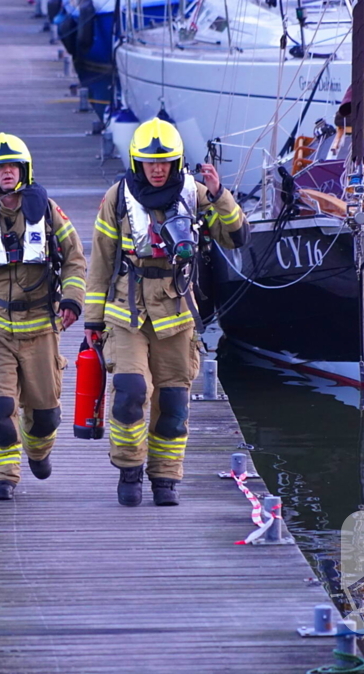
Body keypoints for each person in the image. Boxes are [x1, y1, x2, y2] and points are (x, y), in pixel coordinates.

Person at [83, 118, 251, 507]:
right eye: (149, 162)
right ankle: (129, 469)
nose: (157, 170)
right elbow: (100, 264)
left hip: (176, 312)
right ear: (137, 162)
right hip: (127, 312)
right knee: (130, 391)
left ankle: (165, 478)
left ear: (176, 163)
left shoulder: (195, 195)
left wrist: (220, 194)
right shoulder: (116, 197)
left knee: (173, 401)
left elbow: (238, 235)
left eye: (164, 162)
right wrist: (92, 321)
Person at [0, 133, 87, 501]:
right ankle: (2, 477)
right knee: (0, 407)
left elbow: (75, 259)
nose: (7, 173)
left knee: (44, 416)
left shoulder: (49, 211)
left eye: (13, 167)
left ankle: (38, 451)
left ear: (24, 170)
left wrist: (72, 299)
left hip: (41, 325)